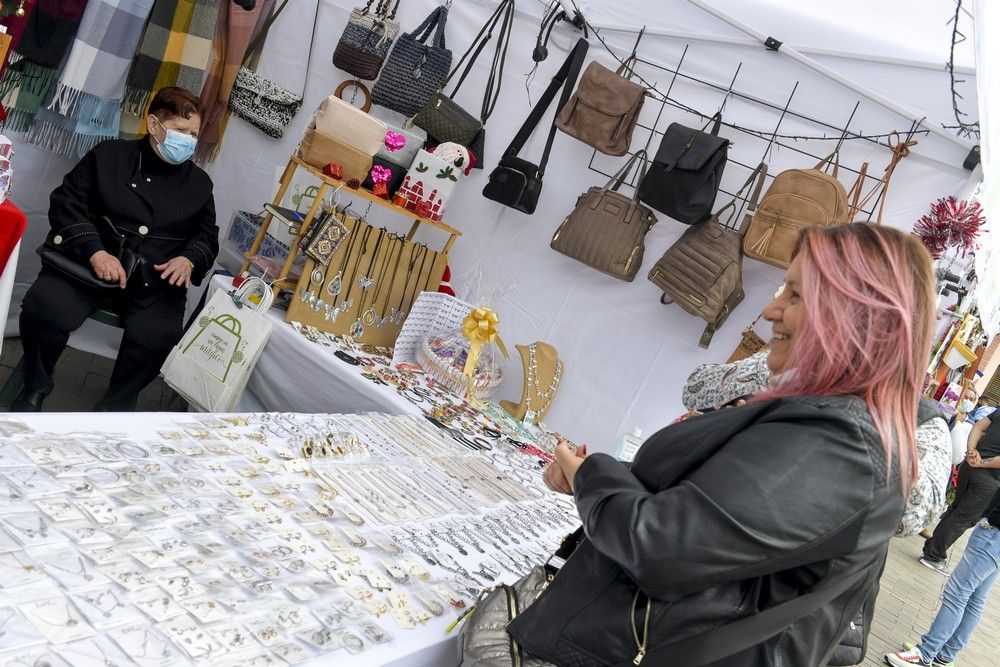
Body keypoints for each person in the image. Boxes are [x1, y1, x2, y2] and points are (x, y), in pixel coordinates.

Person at [525, 224, 935, 666]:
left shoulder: (841, 445)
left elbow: (661, 546)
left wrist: (589, 472)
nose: (770, 309)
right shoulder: (829, 424)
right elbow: (712, 521)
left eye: (795, 296)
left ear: (854, 316)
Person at [682, 347, 952, 666]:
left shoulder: (920, 420)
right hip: (707, 568)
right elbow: (695, 390)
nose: (774, 310)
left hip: (792, 612)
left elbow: (910, 515)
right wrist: (777, 370)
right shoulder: (788, 363)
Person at [15, 87, 218, 412]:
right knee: (45, 309)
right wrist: (95, 251)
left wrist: (188, 259)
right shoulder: (109, 156)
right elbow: (66, 204)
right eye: (181, 131)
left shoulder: (199, 184)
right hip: (86, 269)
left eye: (193, 134)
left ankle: (115, 407)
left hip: (153, 283)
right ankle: (35, 386)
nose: (189, 141)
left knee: (158, 337)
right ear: (154, 124)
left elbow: (207, 236)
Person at [884, 488, 1000, 666]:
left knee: (957, 595)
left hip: (993, 533)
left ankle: (926, 653)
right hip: (994, 536)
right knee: (975, 599)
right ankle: (944, 656)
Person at [922, 410, 1000, 574]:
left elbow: (978, 426)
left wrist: (971, 450)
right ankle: (934, 557)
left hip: (969, 467)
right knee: (963, 518)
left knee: (955, 510)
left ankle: (931, 549)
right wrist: (981, 462)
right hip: (988, 478)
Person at [946, 384, 977, 467]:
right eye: (965, 397)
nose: (968, 401)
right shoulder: (950, 415)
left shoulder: (971, 422)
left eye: (971, 399)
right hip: (941, 459)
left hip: (953, 467)